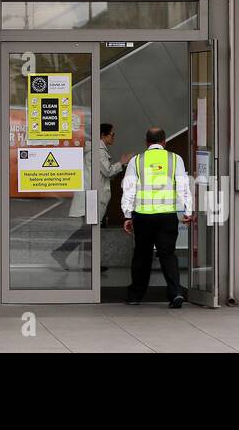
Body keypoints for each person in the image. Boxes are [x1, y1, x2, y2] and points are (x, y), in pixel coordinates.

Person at [121, 127, 194, 307]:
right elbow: (183, 186)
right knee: (167, 254)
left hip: (143, 216)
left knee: (142, 255)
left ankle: (135, 296)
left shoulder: (136, 160)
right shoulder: (175, 159)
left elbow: (128, 189)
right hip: (167, 215)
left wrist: (127, 215)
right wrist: (188, 210)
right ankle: (176, 293)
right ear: (164, 142)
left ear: (146, 142)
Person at [52, 123, 131, 271]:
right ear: (103, 135)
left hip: (91, 195)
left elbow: (102, 175)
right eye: (112, 134)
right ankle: (64, 253)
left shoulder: (96, 150)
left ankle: (87, 263)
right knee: (90, 229)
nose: (114, 137)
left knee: (89, 229)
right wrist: (122, 163)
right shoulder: (98, 151)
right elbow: (107, 171)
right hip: (92, 197)